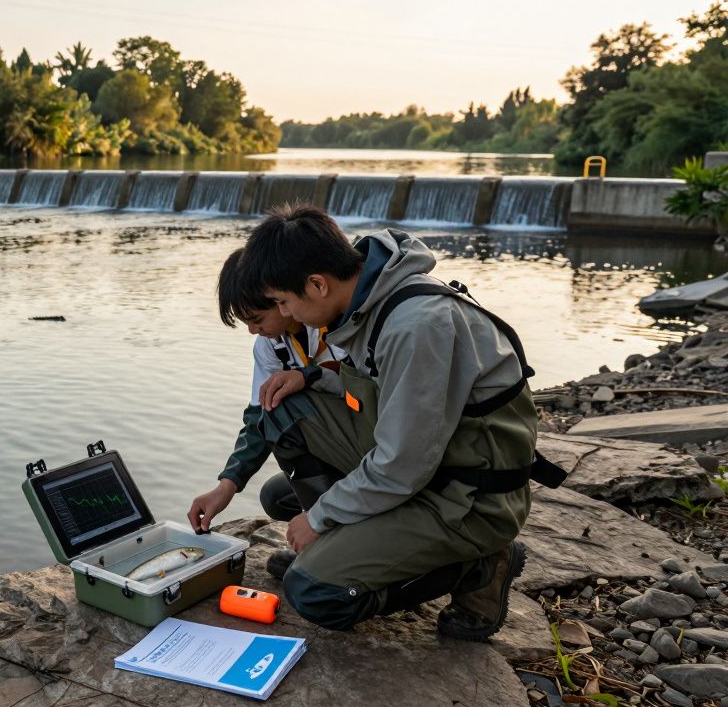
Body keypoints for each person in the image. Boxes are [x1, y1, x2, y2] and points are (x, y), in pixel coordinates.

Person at [231, 202, 562, 641]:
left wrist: (321, 517)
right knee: (286, 412)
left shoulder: (414, 325)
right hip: (435, 468)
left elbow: (401, 465)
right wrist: (308, 376)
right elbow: (375, 396)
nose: (286, 315)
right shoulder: (367, 303)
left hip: (468, 499)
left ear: (316, 284)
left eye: (283, 302)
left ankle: (477, 566)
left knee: (313, 592)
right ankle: (341, 547)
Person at [187, 248, 344, 536]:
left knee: (284, 404)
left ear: (279, 297)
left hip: (364, 444)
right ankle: (326, 524)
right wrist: (226, 486)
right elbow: (258, 417)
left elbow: (361, 384)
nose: (252, 330)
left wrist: (307, 377)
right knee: (274, 498)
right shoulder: (269, 345)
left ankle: (323, 535)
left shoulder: (337, 323)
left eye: (257, 319)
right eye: (246, 322)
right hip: (334, 448)